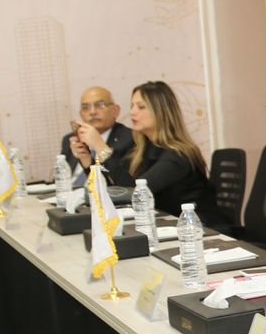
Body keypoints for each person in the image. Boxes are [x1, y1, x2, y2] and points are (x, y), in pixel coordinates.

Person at [76, 81, 224, 227]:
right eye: (132, 106)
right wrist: (87, 160)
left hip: (198, 230)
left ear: (161, 112)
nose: (132, 112)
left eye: (141, 107)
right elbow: (116, 189)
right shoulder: (142, 149)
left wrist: (101, 147)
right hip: (164, 224)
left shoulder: (178, 155)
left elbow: (136, 194)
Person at [60, 86, 134, 184]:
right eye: (85, 107)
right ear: (81, 114)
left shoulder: (130, 138)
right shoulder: (71, 139)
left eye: (100, 105)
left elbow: (123, 184)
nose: (92, 112)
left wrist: (98, 145)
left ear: (115, 111)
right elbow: (60, 179)